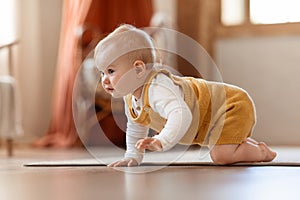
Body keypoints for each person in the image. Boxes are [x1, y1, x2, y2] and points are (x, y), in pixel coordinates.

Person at [94, 24, 277, 167]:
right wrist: (133, 156)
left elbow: (181, 113)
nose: (104, 79)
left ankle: (261, 152)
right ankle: (241, 143)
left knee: (221, 156)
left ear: (138, 69)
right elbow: (136, 128)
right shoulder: (131, 97)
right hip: (210, 122)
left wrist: (161, 141)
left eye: (110, 71)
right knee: (223, 147)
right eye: (102, 73)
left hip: (230, 105)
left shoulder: (158, 87)